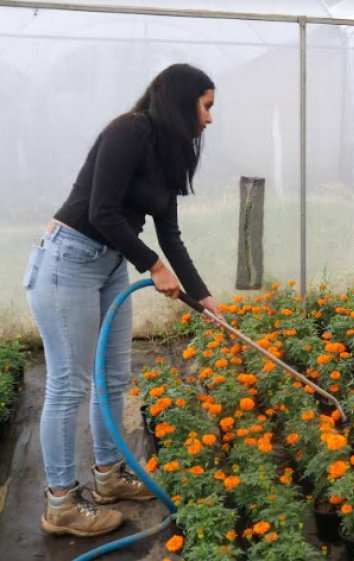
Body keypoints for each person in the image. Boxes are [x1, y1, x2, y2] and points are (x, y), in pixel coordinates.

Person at [23, 63, 221, 537]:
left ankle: (109, 478)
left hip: (110, 262)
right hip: (69, 261)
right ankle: (61, 504)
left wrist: (204, 296)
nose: (211, 118)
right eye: (206, 106)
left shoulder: (169, 154)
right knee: (68, 384)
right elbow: (101, 211)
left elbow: (170, 235)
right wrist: (151, 266)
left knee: (113, 380)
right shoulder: (128, 132)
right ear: (181, 101)